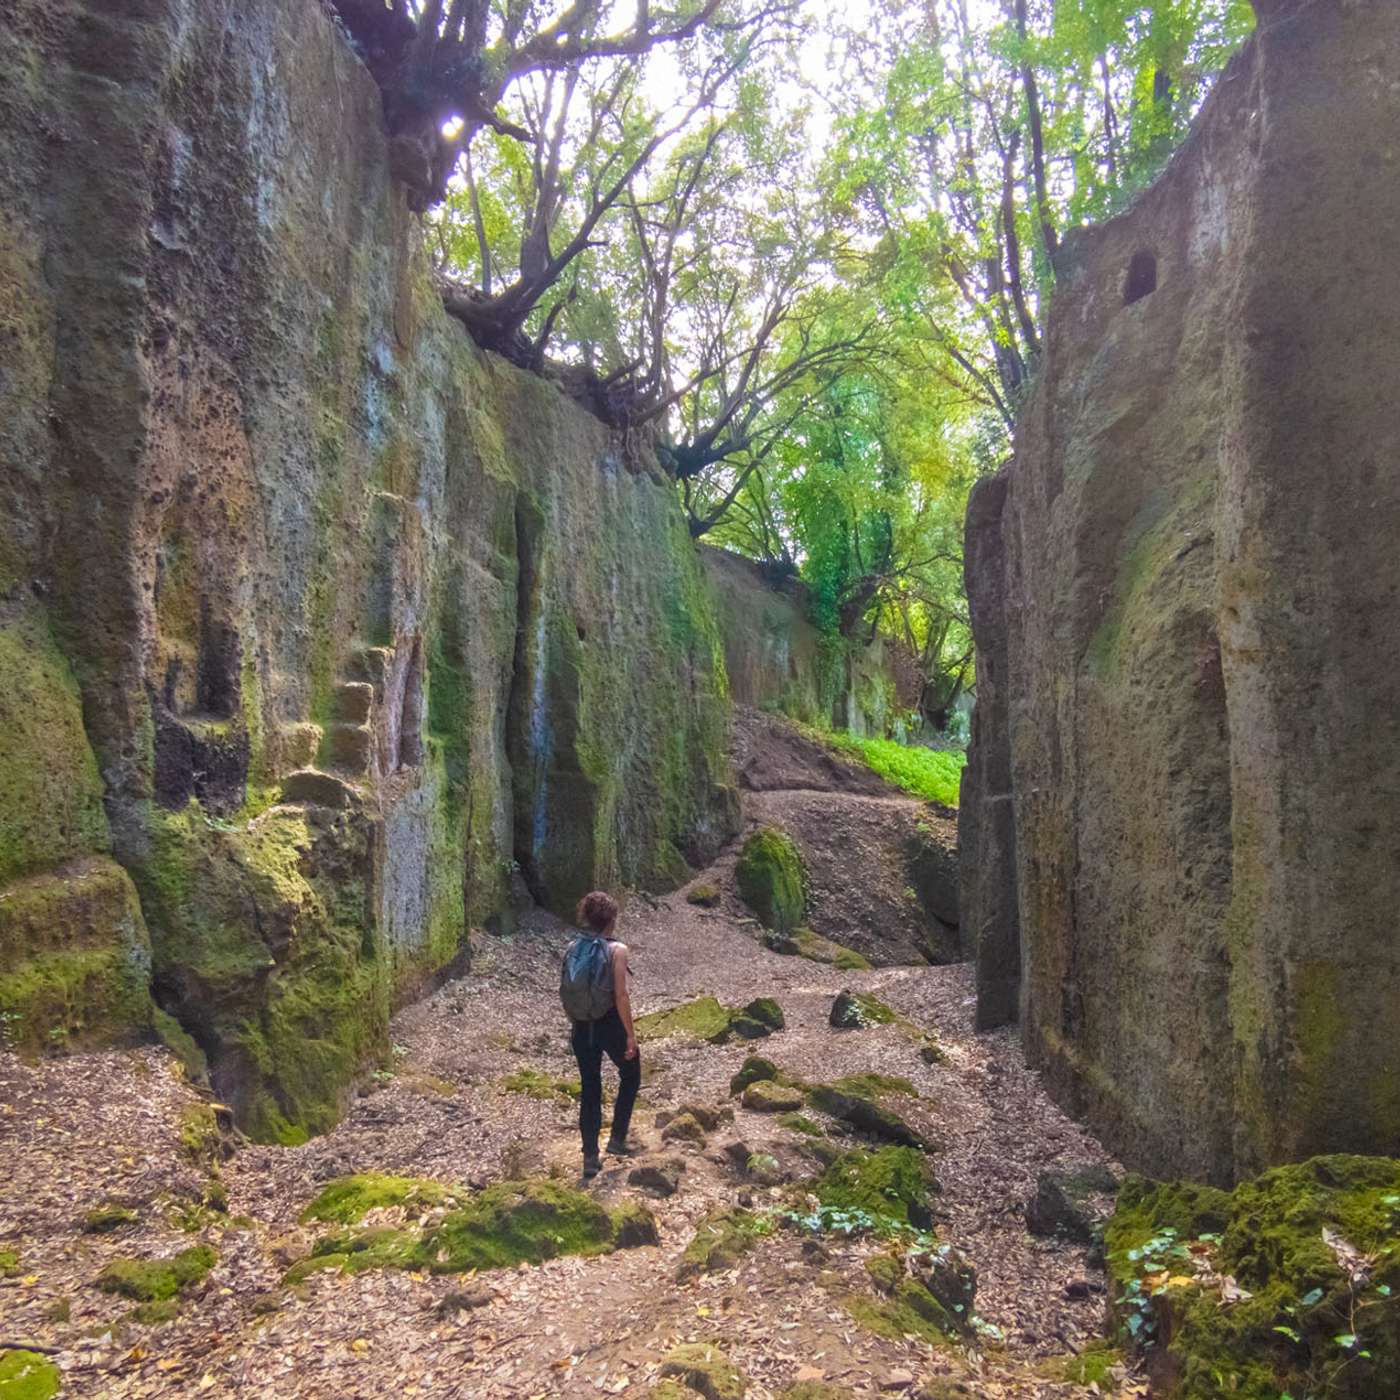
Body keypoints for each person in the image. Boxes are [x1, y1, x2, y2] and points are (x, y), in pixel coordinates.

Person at [559, 890, 639, 1179]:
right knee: (631, 1074)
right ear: (611, 920)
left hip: (582, 1026)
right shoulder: (617, 950)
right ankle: (617, 1140)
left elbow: (566, 992)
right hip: (609, 1024)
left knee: (590, 1087)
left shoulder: (572, 948)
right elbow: (620, 995)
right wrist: (629, 1034)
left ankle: (590, 1157)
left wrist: (577, 1021)